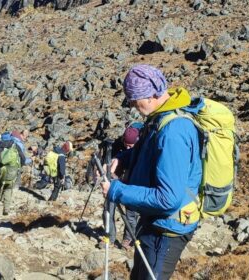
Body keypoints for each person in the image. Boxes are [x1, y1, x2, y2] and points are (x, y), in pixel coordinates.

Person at [101, 64, 203, 280]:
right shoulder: (160, 117)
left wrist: (116, 191)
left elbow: (168, 199)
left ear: (150, 95)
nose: (130, 104)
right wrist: (122, 159)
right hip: (153, 222)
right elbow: (148, 151)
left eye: (133, 98)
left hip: (166, 230)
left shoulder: (173, 132)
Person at [0, 132, 27, 215]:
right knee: (8, 190)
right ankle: (6, 210)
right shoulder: (15, 145)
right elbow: (23, 158)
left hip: (0, 171)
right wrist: (20, 167)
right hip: (12, 172)